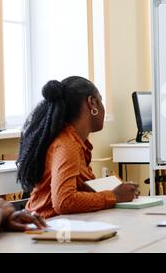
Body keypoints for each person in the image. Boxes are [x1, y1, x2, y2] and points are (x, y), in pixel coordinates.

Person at [16, 76, 138, 219]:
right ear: (92, 103)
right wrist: (114, 195)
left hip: (59, 224)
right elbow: (63, 201)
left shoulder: (73, 141)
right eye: (101, 100)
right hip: (48, 227)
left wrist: (110, 190)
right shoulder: (67, 145)